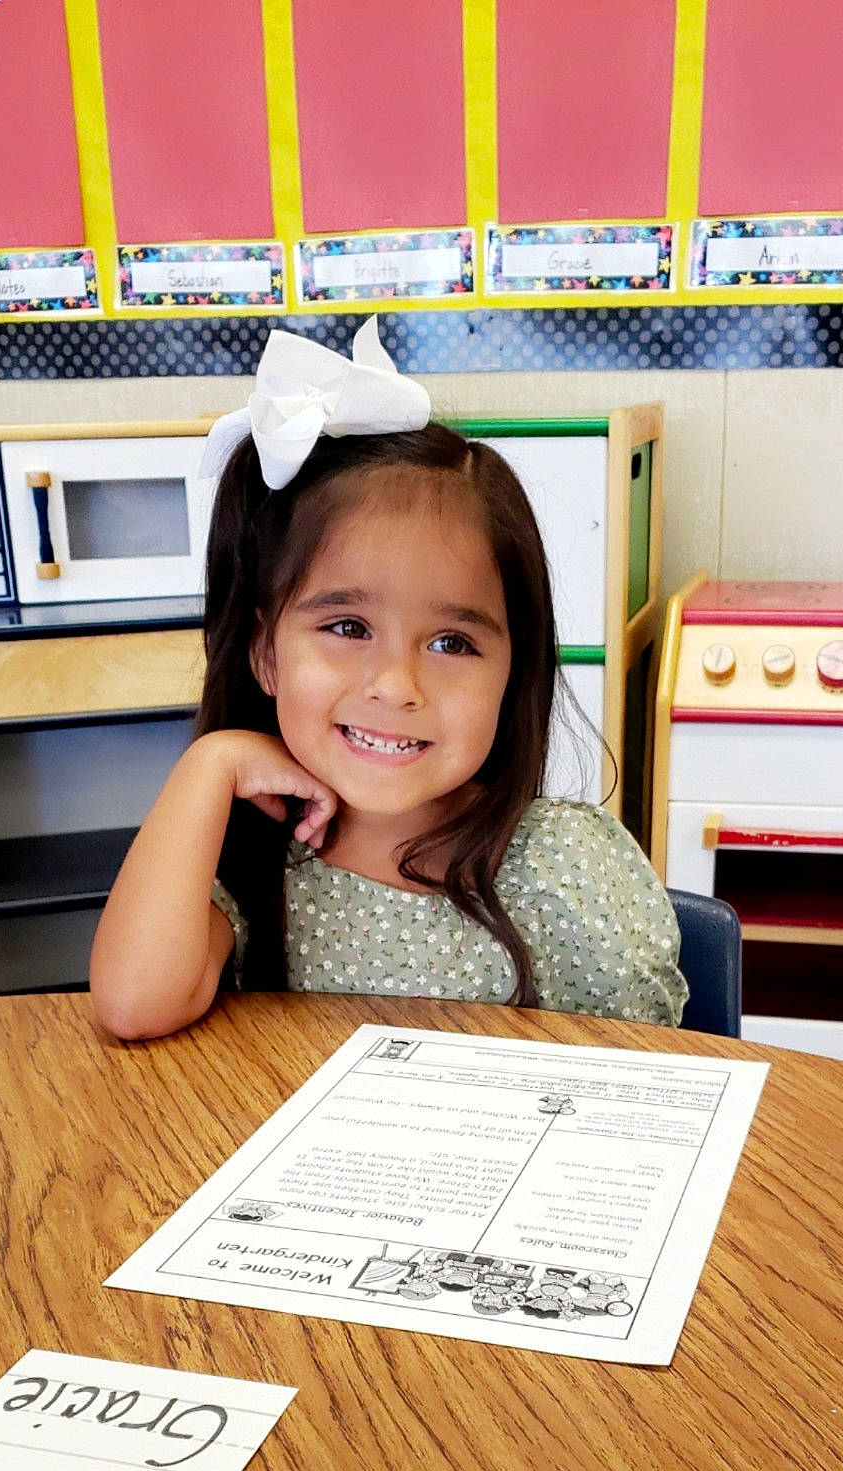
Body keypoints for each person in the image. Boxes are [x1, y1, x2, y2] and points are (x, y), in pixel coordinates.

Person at [89, 320, 687, 1040]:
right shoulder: (250, 871)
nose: (397, 685)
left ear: (512, 673)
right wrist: (211, 763)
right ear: (265, 654)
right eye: (347, 628)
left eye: (452, 642)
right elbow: (132, 1006)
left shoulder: (564, 864)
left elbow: (651, 1074)